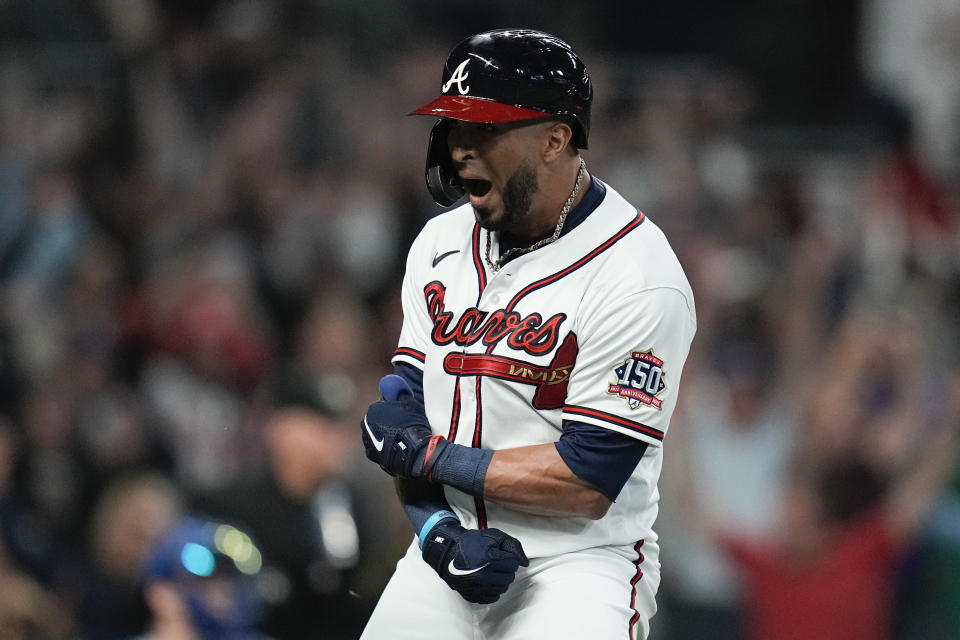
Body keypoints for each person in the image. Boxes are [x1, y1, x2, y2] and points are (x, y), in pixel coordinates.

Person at [358, 29, 696, 640]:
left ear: (556, 138)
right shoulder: (438, 243)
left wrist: (431, 456)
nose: (460, 148)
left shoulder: (638, 274)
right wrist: (437, 534)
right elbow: (405, 417)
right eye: (455, 127)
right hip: (452, 545)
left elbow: (587, 479)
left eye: (485, 129)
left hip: (579, 561)